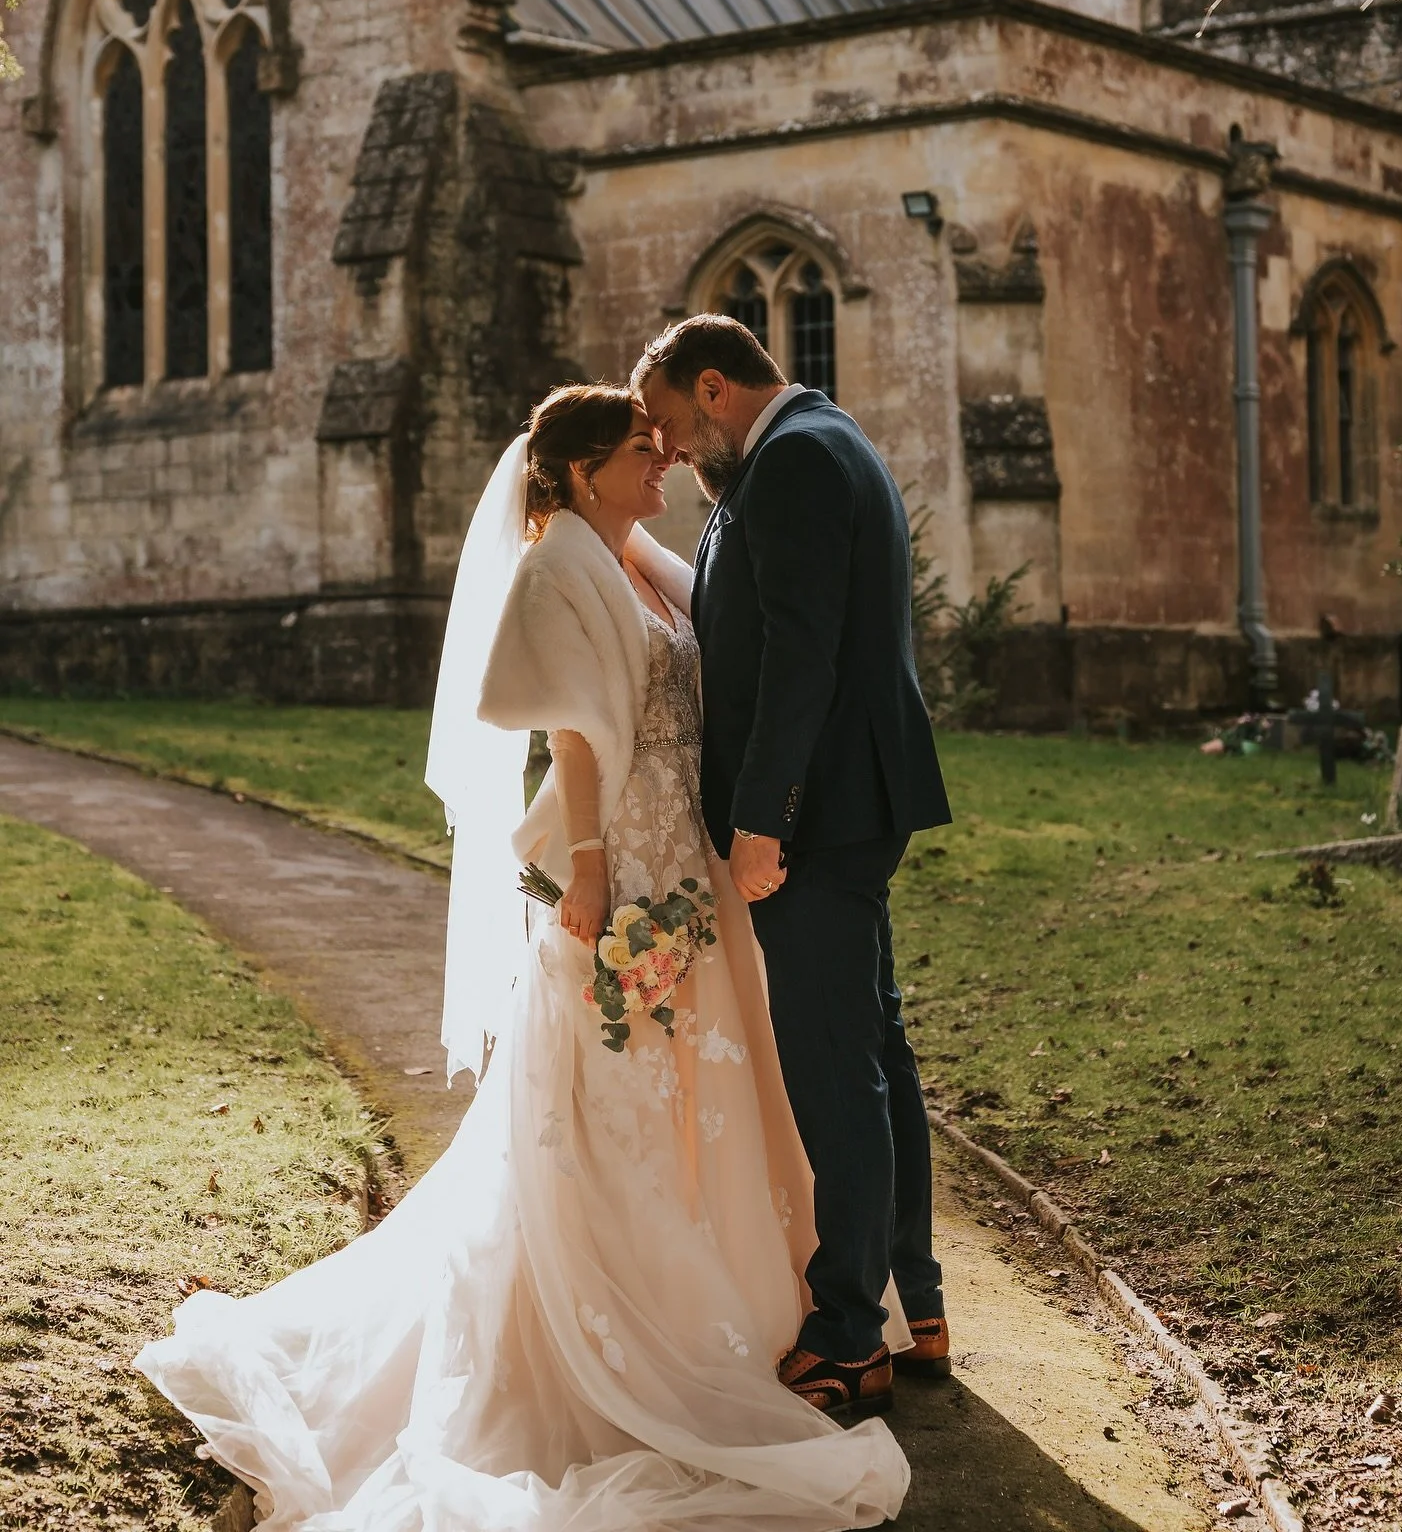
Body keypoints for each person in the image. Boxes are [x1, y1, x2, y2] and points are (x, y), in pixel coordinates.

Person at [135, 382, 911, 1532]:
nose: (663, 469)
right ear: (585, 470)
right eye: (642, 456)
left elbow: (724, 631)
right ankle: (625, 1317)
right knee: (620, 1089)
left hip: (683, 857)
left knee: (709, 1075)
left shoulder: (630, 551)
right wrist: (589, 864)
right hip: (625, 864)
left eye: (661, 451)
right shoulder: (556, 566)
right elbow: (570, 732)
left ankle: (744, 1301)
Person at [634, 318, 954, 1420]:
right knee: (874, 1043)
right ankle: (918, 1302)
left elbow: (805, 653)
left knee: (834, 1067)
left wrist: (764, 817)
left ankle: (847, 1334)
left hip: (821, 813)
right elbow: (749, 621)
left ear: (715, 388)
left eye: (675, 426)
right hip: (853, 800)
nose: (672, 454)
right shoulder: (808, 446)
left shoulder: (796, 460)